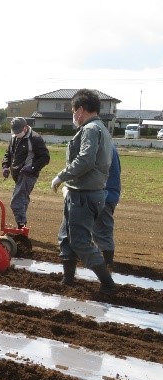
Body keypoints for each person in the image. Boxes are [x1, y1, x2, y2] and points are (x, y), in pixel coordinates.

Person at [51, 89, 116, 295]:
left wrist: (62, 176)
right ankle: (67, 280)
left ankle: (108, 284)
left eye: (72, 110)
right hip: (80, 192)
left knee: (80, 241)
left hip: (84, 195)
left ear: (80, 110)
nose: (72, 115)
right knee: (66, 237)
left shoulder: (90, 129)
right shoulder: (101, 129)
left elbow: (86, 160)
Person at [1, 117, 50, 228]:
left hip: (28, 175)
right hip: (17, 175)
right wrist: (5, 166)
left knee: (16, 202)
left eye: (19, 131)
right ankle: (22, 226)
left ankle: (21, 226)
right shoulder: (14, 137)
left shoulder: (35, 139)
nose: (17, 134)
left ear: (25, 127)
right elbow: (8, 153)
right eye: (15, 132)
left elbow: (45, 157)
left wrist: (32, 168)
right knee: (22, 200)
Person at [93, 144, 121, 269]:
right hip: (110, 193)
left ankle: (106, 265)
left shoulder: (101, 147)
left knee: (102, 231)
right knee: (99, 229)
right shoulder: (110, 145)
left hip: (103, 194)